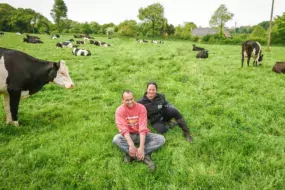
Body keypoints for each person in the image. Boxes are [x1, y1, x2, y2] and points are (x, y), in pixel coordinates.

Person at [113, 90, 165, 171]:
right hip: (129, 135)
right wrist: (131, 145)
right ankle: (143, 156)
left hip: (142, 134)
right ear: (122, 100)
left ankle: (134, 155)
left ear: (134, 98)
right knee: (116, 139)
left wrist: (141, 147)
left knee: (161, 139)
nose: (130, 102)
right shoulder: (119, 110)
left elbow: (143, 128)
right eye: (127, 100)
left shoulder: (141, 108)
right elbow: (124, 130)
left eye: (131, 99)